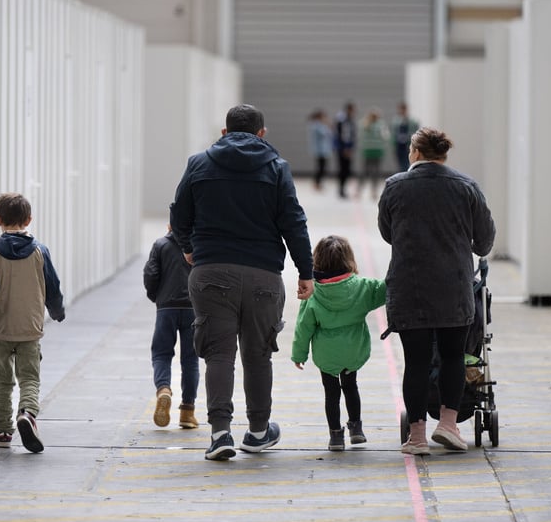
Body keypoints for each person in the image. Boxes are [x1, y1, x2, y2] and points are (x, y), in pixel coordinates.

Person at [170, 103, 315, 461]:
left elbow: (179, 213)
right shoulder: (276, 168)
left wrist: (189, 249)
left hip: (210, 272)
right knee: (257, 355)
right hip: (263, 275)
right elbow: (293, 222)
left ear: (224, 132)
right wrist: (306, 272)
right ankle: (258, 432)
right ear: (262, 134)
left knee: (218, 354)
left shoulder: (198, 163)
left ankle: (220, 434)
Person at [377, 128, 495, 455]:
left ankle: (416, 437)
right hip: (453, 286)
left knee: (415, 362)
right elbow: (484, 240)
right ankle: (448, 424)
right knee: (453, 356)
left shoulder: (395, 186)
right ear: (444, 154)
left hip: (409, 286)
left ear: (414, 152)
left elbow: (388, 233)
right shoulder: (466, 187)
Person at [0, 192, 66, 453]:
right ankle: (27, 413)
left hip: (2, 329)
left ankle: (2, 431)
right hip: (30, 327)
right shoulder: (40, 251)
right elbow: (52, 286)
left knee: (3, 379)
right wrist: (57, 312)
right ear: (29, 219)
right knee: (29, 378)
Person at [291, 235, 386, 452]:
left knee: (331, 393)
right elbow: (385, 289)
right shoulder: (362, 287)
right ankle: (356, 429)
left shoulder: (313, 292)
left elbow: (303, 327)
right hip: (353, 350)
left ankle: (335, 436)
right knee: (351, 386)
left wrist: (299, 355)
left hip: (327, 354)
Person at [143, 225, 199, 429]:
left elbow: (150, 275)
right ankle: (187, 412)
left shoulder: (160, 245)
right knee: (190, 360)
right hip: (193, 308)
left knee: (161, 354)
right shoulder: (199, 245)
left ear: (169, 226)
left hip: (166, 308)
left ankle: (164, 389)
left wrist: (157, 297)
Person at [357, 107, 388, 199]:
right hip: (377, 150)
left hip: (367, 150)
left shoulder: (364, 124)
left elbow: (360, 137)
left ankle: (359, 190)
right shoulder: (381, 125)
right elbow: (385, 137)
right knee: (375, 172)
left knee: (365, 171)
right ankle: (373, 191)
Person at [333, 101, 357, 199]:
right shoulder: (341, 120)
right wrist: (344, 148)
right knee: (342, 169)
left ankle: (343, 188)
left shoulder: (351, 120)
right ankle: (341, 189)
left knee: (347, 169)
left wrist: (351, 148)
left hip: (348, 148)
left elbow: (352, 135)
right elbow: (341, 135)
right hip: (342, 148)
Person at [390, 102, 419, 173]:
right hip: (398, 146)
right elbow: (393, 133)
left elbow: (415, 131)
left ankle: (406, 175)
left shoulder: (412, 121)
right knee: (400, 163)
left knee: (407, 163)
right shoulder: (396, 121)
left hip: (408, 145)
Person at [308, 108, 333, 191]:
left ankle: (318, 183)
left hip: (323, 150)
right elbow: (326, 133)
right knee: (320, 168)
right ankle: (317, 183)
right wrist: (327, 124)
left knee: (321, 167)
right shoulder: (317, 125)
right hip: (320, 150)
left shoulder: (319, 125)